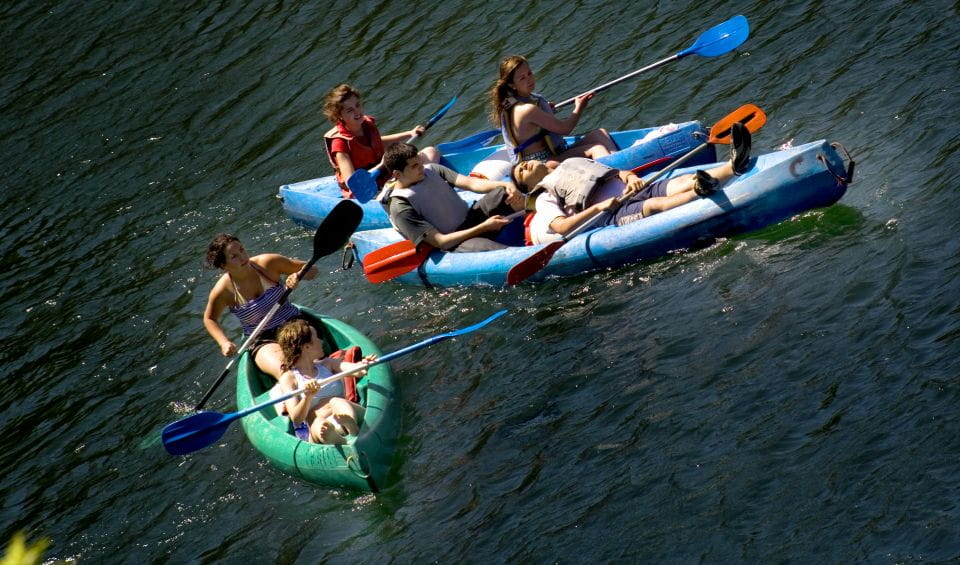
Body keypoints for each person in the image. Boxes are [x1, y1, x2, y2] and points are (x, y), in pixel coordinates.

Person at [514, 122, 752, 244]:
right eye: (520, 172)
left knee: (681, 181)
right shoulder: (544, 196)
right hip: (614, 212)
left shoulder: (572, 162)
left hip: (636, 188)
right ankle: (701, 191)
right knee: (654, 206)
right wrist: (599, 207)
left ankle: (734, 166)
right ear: (527, 188)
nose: (523, 165)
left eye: (523, 164)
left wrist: (632, 177)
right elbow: (562, 227)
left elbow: (617, 172)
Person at [202, 234, 318, 380]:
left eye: (242, 250)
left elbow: (312, 270)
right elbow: (210, 319)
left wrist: (298, 276)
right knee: (286, 373)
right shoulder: (223, 291)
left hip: (293, 323)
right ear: (224, 266)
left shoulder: (268, 263)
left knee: (312, 361)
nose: (243, 257)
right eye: (234, 256)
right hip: (262, 338)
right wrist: (223, 342)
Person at [381, 142, 526, 252]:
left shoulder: (432, 169)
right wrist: (484, 227)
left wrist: (506, 185)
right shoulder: (400, 206)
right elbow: (440, 242)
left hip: (470, 217)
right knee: (491, 249)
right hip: (455, 241)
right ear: (397, 174)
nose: (421, 167)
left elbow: (471, 183)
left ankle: (537, 210)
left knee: (503, 191)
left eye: (420, 161)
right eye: (414, 166)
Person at [489, 55, 618, 165]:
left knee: (600, 133)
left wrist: (546, 111)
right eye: (522, 78)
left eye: (529, 73)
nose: (529, 79)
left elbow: (534, 124)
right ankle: (615, 177)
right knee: (596, 148)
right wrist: (579, 107)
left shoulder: (520, 103)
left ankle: (621, 165)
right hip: (541, 164)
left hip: (552, 155)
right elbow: (565, 129)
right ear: (512, 85)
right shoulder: (526, 109)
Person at [323, 83, 441, 198]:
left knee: (431, 152)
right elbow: (353, 183)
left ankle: (415, 187)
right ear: (339, 116)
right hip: (371, 189)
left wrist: (410, 133)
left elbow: (378, 143)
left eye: (357, 105)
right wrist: (381, 166)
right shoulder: (339, 143)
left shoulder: (365, 125)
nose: (357, 112)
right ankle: (414, 189)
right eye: (350, 110)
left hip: (388, 174)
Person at [276, 319, 375, 445]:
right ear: (306, 347)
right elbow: (297, 418)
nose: (321, 341)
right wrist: (307, 396)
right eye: (317, 338)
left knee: (336, 402)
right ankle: (340, 441)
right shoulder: (289, 378)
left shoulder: (327, 363)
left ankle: (353, 431)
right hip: (320, 426)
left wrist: (362, 366)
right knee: (319, 424)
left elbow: (350, 369)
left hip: (346, 413)